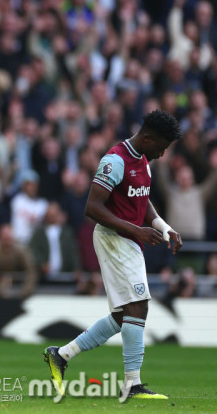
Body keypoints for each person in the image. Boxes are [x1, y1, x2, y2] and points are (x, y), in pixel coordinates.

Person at [43, 110, 183, 401]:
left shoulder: (143, 160)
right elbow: (92, 208)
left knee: (123, 316)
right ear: (147, 138)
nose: (163, 153)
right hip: (113, 238)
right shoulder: (115, 160)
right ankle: (132, 384)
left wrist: (163, 227)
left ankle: (61, 355)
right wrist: (138, 230)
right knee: (139, 306)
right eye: (162, 146)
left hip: (129, 239)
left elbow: (142, 199)